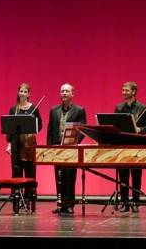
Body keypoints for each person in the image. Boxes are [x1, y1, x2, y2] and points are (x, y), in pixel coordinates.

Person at [46, 83, 87, 215]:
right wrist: (49, 148)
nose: (64, 93)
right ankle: (60, 204)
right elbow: (50, 130)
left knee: (70, 177)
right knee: (59, 177)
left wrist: (75, 142)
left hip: (71, 149)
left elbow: (83, 130)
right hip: (57, 148)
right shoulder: (54, 110)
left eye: (67, 91)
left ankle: (69, 204)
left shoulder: (79, 110)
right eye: (62, 91)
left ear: (72, 94)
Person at [114, 81, 146, 213]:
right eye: (123, 90)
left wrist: (139, 129)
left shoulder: (143, 108)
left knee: (136, 175)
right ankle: (125, 202)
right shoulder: (119, 108)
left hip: (137, 145)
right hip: (123, 145)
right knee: (123, 176)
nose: (124, 92)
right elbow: (115, 126)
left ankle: (135, 202)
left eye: (126, 90)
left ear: (134, 91)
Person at [5, 83, 43, 181]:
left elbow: (40, 125)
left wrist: (32, 129)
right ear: (18, 93)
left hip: (30, 142)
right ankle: (16, 193)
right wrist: (9, 144)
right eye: (21, 91)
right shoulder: (14, 109)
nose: (23, 93)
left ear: (28, 94)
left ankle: (30, 194)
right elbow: (9, 129)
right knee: (16, 168)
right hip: (16, 142)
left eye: (25, 92)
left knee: (30, 169)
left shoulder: (34, 108)